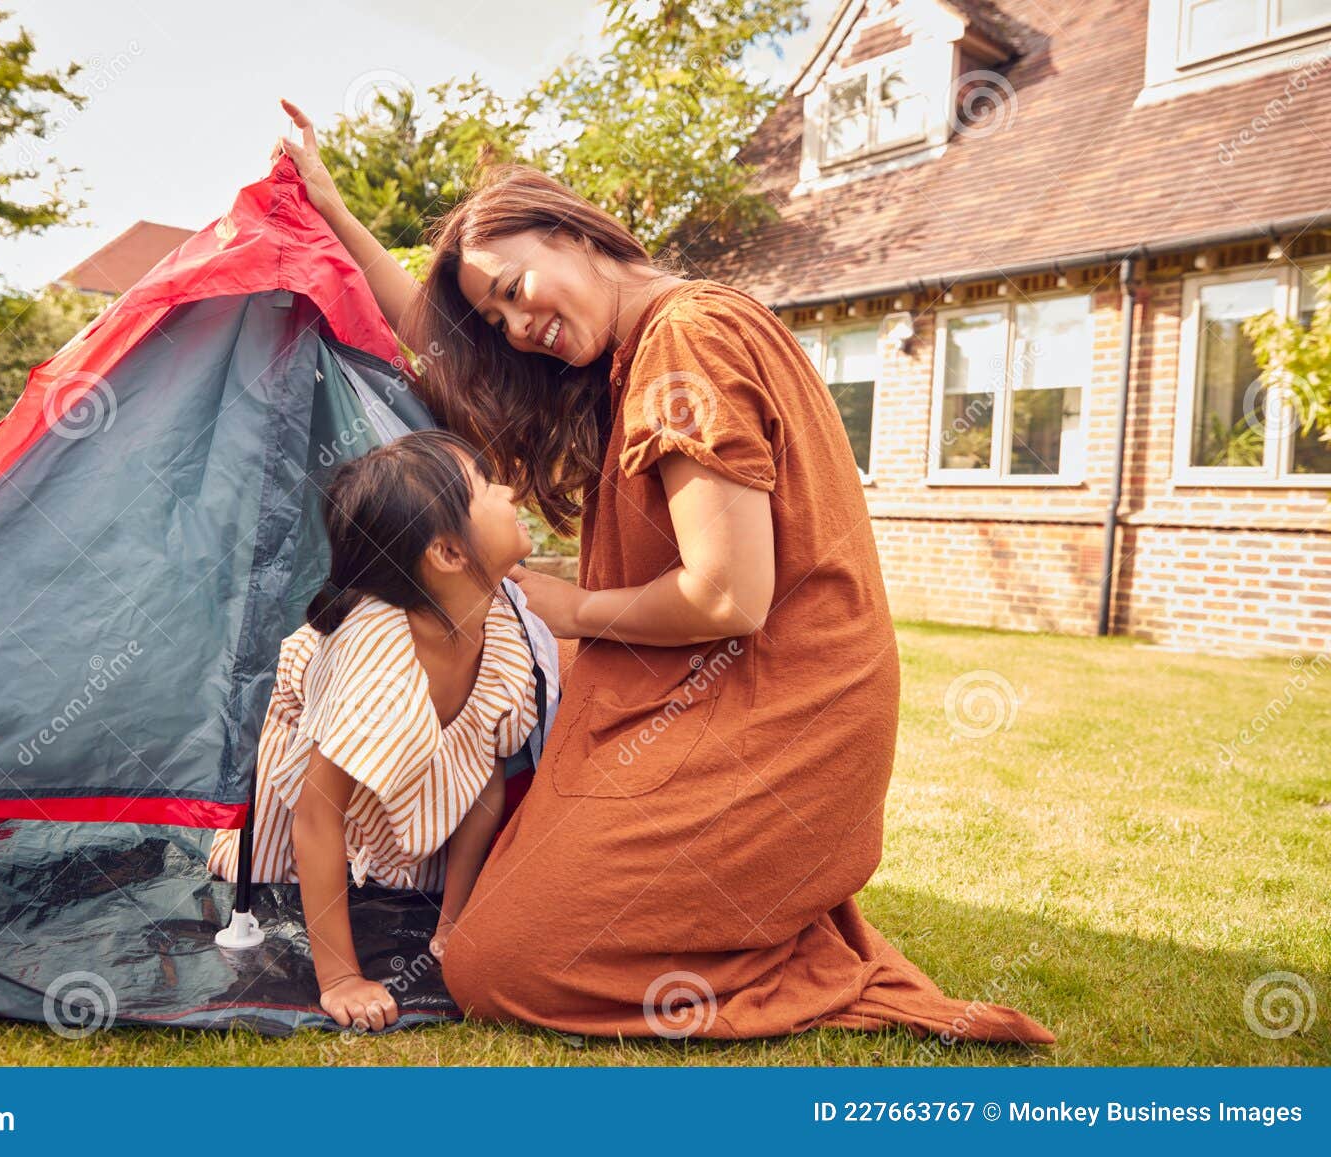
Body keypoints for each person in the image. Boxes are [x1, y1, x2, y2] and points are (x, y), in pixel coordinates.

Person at [270, 100, 1055, 1044]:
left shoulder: (686, 341)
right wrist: (334, 211)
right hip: (700, 702)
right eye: (500, 314)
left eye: (518, 288)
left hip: (775, 714)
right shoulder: (638, 348)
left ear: (570, 231)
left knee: (493, 963)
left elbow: (729, 596)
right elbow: (445, 348)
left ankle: (811, 965)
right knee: (495, 916)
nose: (518, 327)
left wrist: (570, 606)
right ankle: (761, 918)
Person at [208, 429, 539, 1031]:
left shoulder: (501, 629)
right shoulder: (375, 653)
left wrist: (453, 921)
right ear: (448, 553)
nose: (510, 490)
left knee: (405, 892)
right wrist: (339, 977)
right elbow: (316, 811)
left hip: (412, 808)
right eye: (487, 487)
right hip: (305, 817)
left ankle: (407, 884)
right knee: (279, 886)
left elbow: (484, 781)